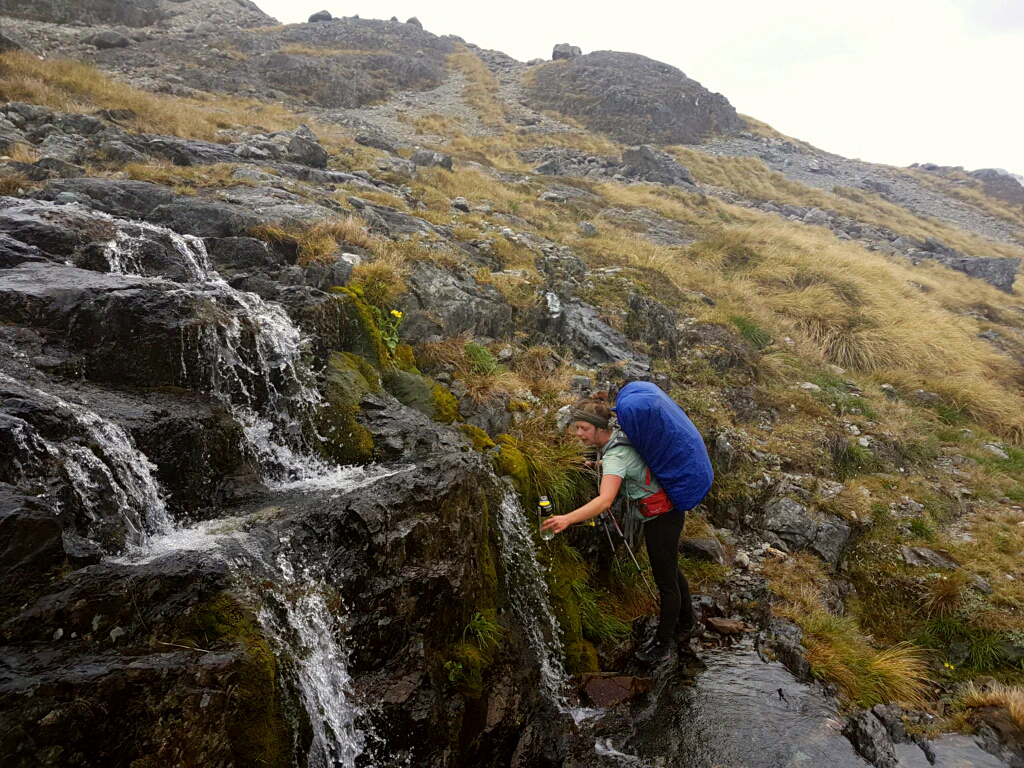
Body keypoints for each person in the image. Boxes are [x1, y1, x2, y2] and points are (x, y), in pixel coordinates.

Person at [541, 392, 703, 665]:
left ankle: (663, 645)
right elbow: (629, 462)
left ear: (600, 429)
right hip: (669, 510)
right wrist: (598, 465)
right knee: (671, 570)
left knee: (666, 583)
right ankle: (688, 623)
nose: (578, 434)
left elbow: (604, 501)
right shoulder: (619, 437)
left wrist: (567, 518)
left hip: (661, 518)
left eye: (584, 429)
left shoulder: (615, 456)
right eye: (577, 427)